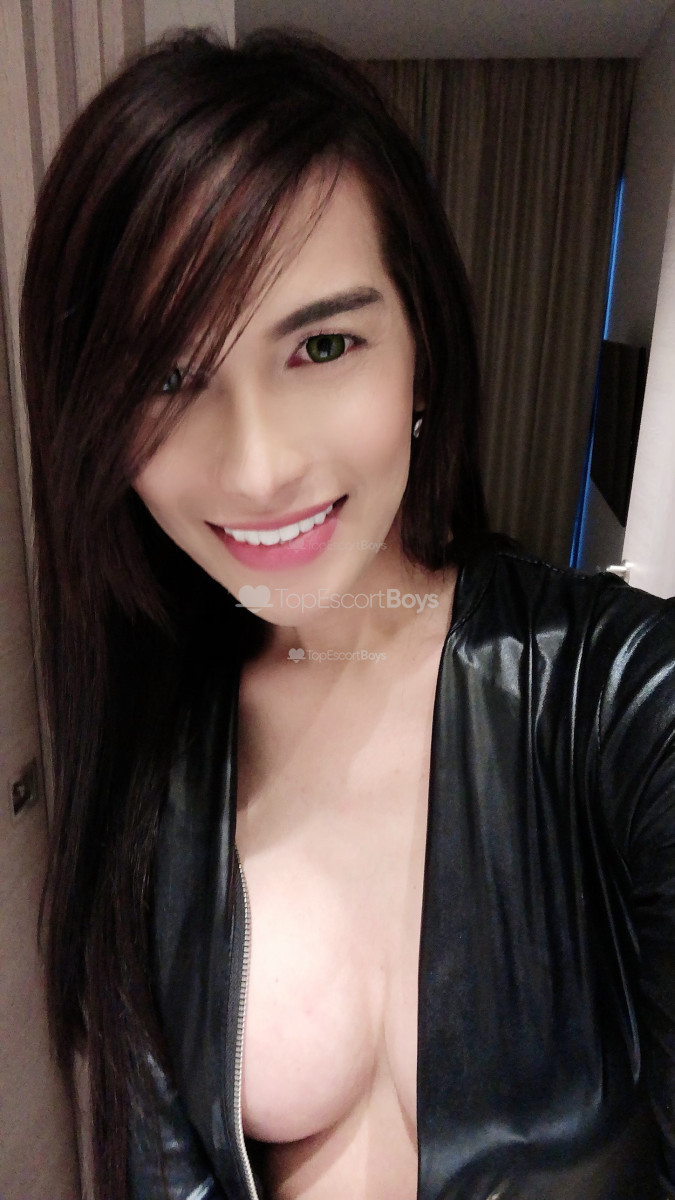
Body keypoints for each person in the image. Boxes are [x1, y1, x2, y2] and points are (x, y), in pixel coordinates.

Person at [19, 26, 675, 1200]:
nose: (258, 466)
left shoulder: (624, 699)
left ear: (422, 356)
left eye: (323, 344)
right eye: (167, 377)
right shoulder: (151, 756)